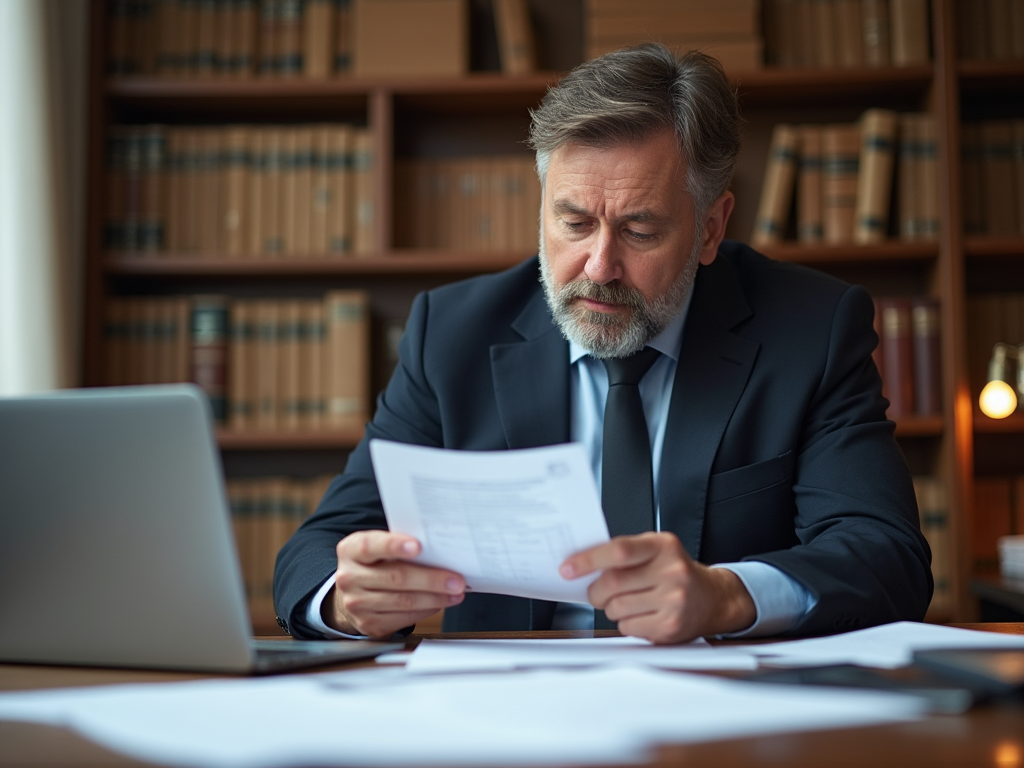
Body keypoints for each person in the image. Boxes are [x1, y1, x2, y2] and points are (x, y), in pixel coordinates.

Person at [273, 44, 933, 644]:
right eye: (574, 223)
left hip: (724, 713)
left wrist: (729, 595)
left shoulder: (810, 329)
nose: (597, 266)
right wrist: (343, 600)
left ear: (710, 227)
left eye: (640, 230)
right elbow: (318, 547)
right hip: (509, 717)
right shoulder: (451, 335)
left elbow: (885, 554)